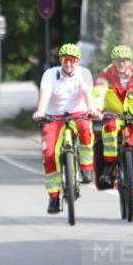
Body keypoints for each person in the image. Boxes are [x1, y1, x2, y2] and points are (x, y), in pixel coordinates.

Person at [32, 43, 97, 214]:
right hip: (54, 116)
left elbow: (88, 94)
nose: (68, 63)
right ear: (60, 60)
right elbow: (45, 95)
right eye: (65, 59)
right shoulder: (50, 74)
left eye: (72, 60)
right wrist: (40, 111)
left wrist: (92, 109)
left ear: (77, 61)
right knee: (49, 154)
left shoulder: (84, 74)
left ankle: (86, 167)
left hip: (78, 113)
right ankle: (54, 198)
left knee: (85, 127)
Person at [92, 44, 133, 210]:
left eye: (125, 60)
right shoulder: (104, 75)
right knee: (109, 127)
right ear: (112, 61)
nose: (121, 64)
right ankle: (109, 166)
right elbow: (98, 95)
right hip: (113, 114)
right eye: (118, 60)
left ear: (131, 61)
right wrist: (96, 110)